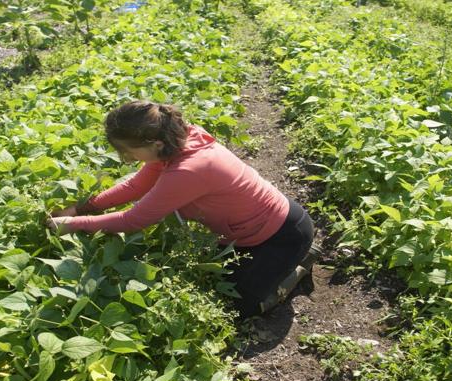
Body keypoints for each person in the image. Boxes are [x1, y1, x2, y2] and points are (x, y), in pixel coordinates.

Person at [47, 100, 314, 318]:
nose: (127, 159)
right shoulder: (175, 141)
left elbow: (133, 219)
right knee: (216, 282)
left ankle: (297, 268)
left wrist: (75, 223)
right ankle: (281, 265)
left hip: (283, 236)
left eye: (128, 152)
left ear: (155, 144)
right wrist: (83, 207)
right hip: (249, 233)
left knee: (235, 310)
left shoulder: (189, 169)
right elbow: (134, 188)